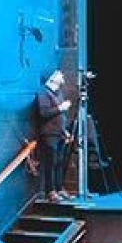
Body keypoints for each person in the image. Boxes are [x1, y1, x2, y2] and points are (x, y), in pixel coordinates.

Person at [35, 69, 73, 202]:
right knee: (51, 162)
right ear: (51, 78)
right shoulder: (43, 94)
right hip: (49, 134)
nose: (62, 75)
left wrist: (65, 131)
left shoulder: (59, 93)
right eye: (59, 74)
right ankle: (50, 191)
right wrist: (60, 108)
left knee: (59, 162)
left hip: (59, 133)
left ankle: (59, 188)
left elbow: (61, 117)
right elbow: (44, 113)